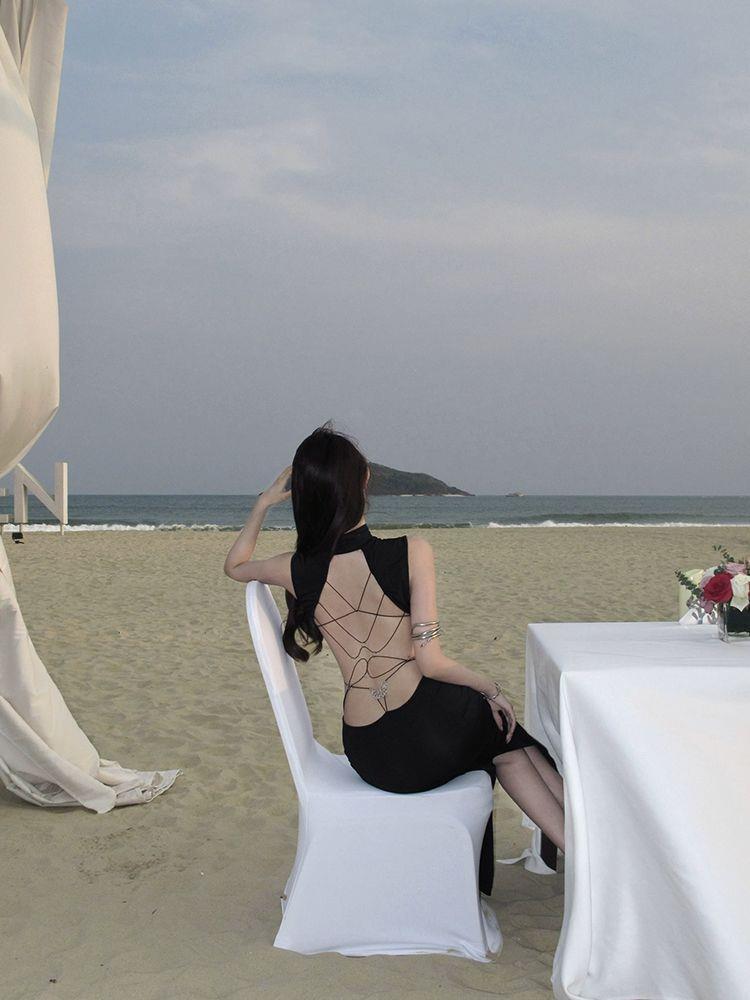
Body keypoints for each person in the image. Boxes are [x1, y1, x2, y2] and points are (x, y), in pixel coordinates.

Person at [224, 422, 564, 895]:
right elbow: (432, 662)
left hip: (370, 753)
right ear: (363, 481)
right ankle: (584, 847)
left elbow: (235, 566)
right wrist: (491, 688)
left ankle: (580, 844)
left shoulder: (293, 568)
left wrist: (262, 503)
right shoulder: (412, 551)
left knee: (503, 734)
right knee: (502, 728)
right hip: (422, 738)